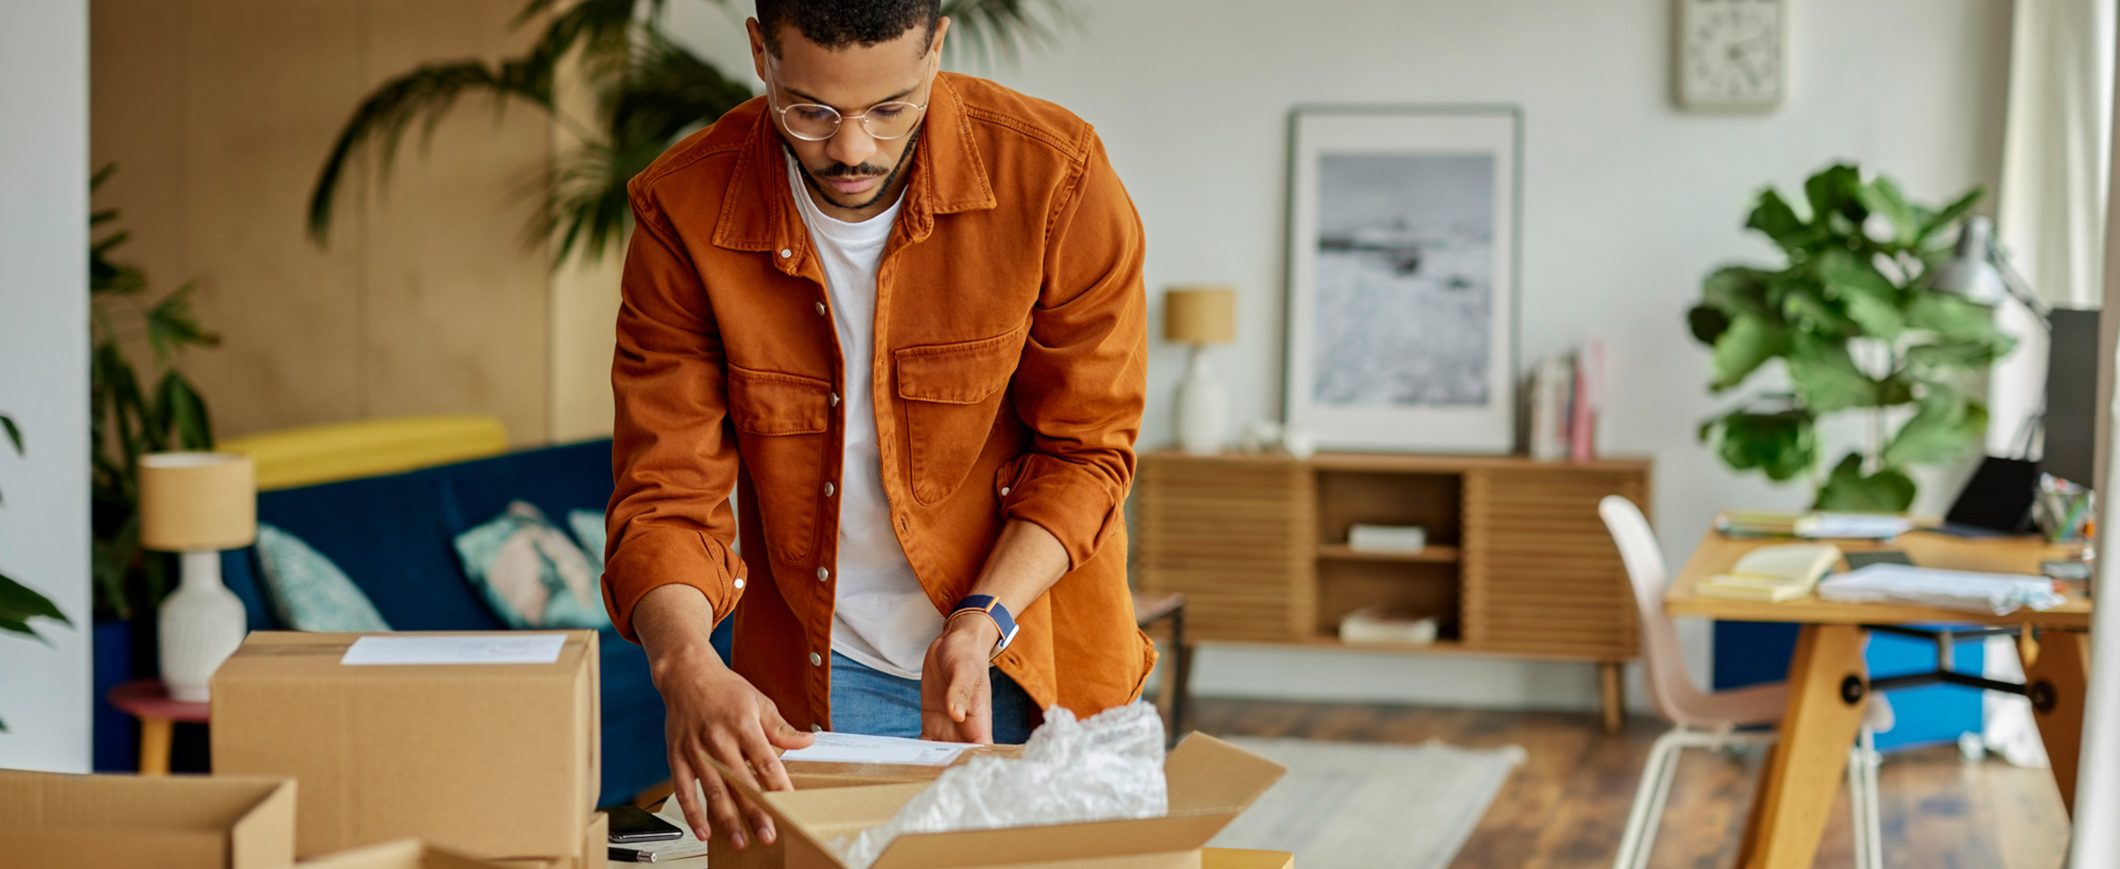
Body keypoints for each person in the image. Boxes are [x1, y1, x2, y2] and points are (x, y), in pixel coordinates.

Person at [599, 0, 1152, 851]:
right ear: (761, 52)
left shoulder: (1055, 177)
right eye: (811, 111)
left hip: (1029, 642)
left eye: (890, 109)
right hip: (820, 677)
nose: (851, 148)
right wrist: (685, 665)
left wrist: (980, 618)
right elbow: (666, 490)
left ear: (937, 46)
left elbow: (1087, 450)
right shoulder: (684, 210)